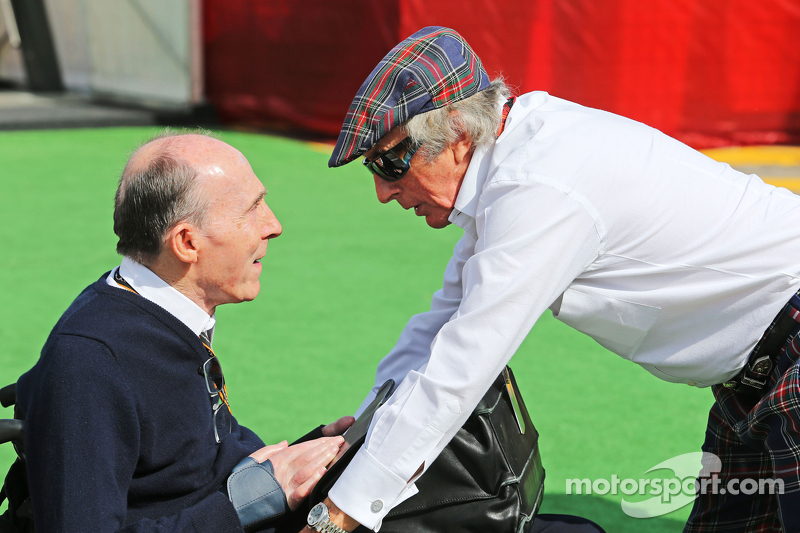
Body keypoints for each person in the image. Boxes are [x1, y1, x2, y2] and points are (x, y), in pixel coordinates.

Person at [314, 26, 800, 533]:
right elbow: (437, 331)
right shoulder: (519, 162)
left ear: (457, 134)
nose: (382, 191)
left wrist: (339, 515)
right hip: (763, 369)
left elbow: (461, 368)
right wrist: (358, 443)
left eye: (391, 162)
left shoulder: (538, 189)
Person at [15, 131, 351, 532]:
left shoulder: (163, 316)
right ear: (187, 243)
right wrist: (246, 504)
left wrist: (309, 453)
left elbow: (188, 468)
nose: (274, 225)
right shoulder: (92, 363)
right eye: (252, 209)